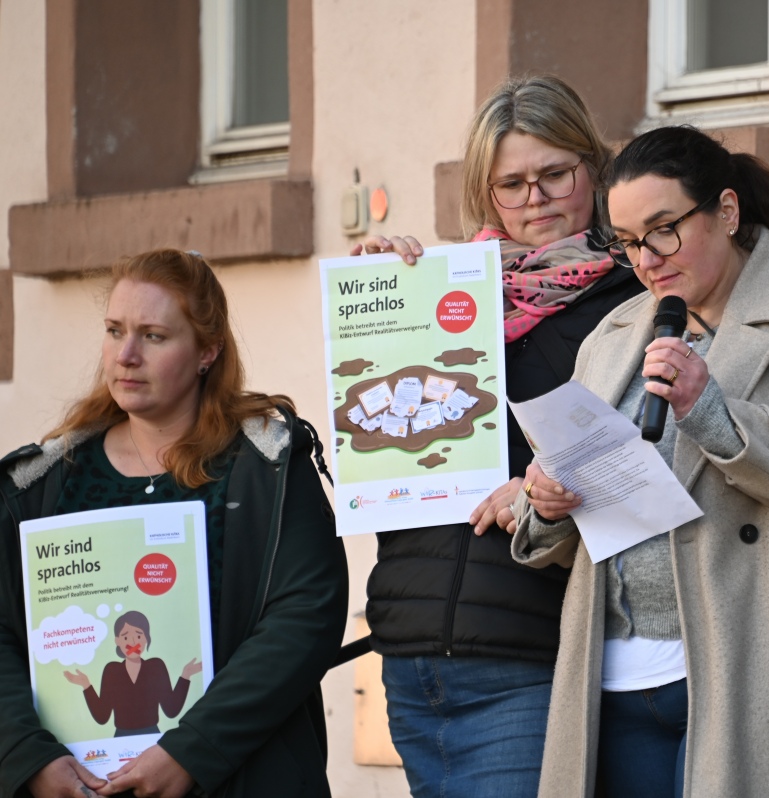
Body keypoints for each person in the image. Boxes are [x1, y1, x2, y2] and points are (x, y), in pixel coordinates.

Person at [512, 125, 769, 798]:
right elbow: (580, 506)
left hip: (765, 679)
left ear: (727, 211)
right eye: (628, 242)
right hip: (619, 681)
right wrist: (546, 504)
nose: (647, 260)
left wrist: (717, 418)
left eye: (664, 230)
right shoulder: (614, 335)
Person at [351, 75, 644, 798]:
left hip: (529, 646)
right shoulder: (439, 289)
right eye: (511, 184)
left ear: (593, 167)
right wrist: (375, 304)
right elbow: (382, 428)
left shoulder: (633, 297)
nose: (534, 198)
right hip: (411, 647)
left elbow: (648, 457)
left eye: (554, 174)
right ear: (486, 194)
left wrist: (546, 485)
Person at [0, 249, 348, 798]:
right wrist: (28, 759)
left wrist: (191, 752)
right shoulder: (43, 482)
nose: (126, 355)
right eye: (114, 331)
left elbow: (305, 619)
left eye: (154, 336)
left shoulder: (265, 469)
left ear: (208, 351)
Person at [64, 610, 202, 737]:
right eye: (125, 637)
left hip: (152, 737)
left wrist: (186, 675)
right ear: (117, 641)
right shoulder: (112, 670)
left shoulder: (156, 666)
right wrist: (86, 685)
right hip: (121, 738)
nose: (133, 642)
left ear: (146, 638)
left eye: (139, 635)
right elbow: (102, 717)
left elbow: (171, 710)